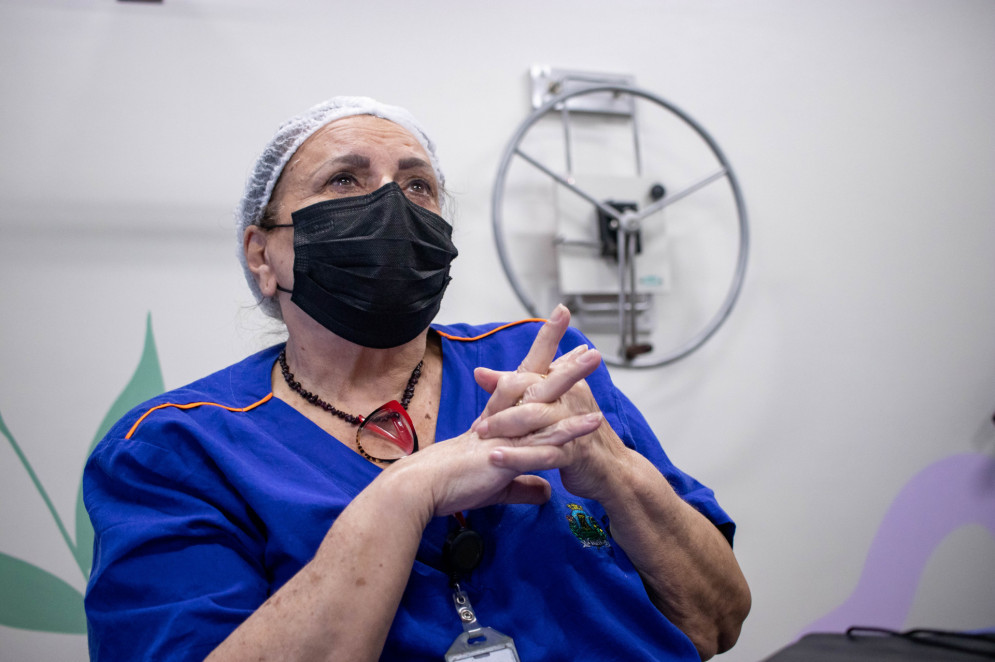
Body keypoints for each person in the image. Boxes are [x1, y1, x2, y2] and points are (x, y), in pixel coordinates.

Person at [83, 96, 750, 662]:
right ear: (262, 254)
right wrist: (404, 495)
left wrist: (611, 469)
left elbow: (718, 619)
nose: (392, 208)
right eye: (343, 180)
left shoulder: (539, 362)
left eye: (417, 185)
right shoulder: (176, 447)